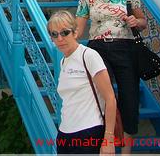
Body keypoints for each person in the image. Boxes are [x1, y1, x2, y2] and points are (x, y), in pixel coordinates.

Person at [76, 0, 147, 154]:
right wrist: (64, 41)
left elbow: (142, 22)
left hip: (125, 47)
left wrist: (137, 22)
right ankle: (104, 146)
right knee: (102, 96)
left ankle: (125, 151)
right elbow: (79, 28)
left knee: (130, 96)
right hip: (97, 49)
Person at [48, 10, 117, 155]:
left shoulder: (89, 56)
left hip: (89, 132)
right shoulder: (63, 62)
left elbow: (110, 98)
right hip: (65, 134)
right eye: (54, 34)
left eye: (65, 32)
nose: (60, 38)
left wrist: (108, 138)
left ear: (75, 32)